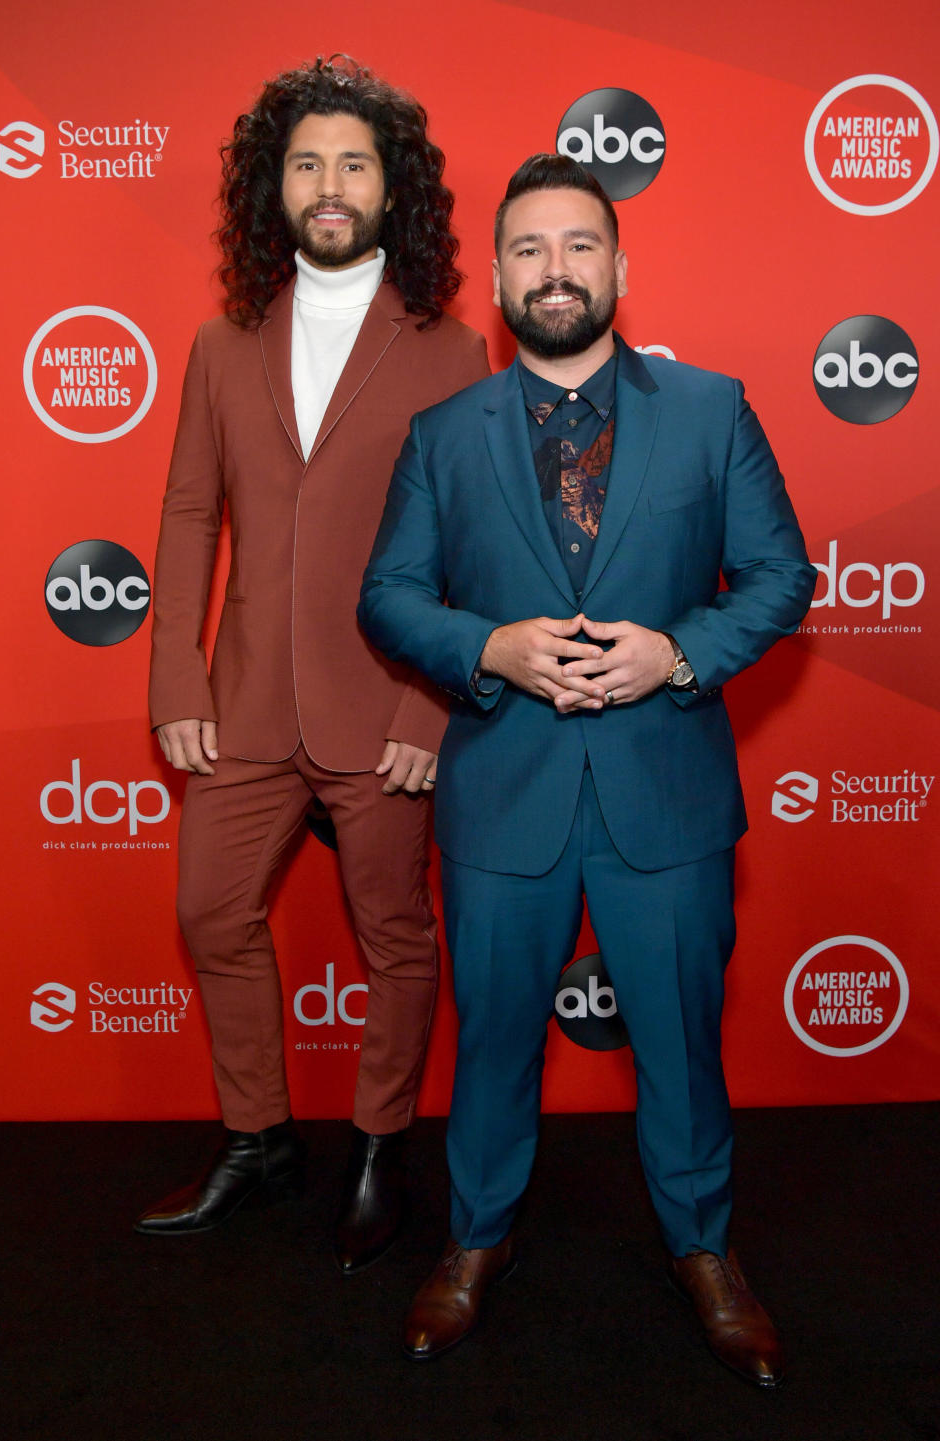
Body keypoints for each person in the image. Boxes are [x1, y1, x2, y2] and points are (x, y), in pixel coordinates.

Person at [359, 154, 816, 1382]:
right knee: (494, 1037)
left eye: (576, 246)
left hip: (664, 790)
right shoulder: (444, 435)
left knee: (681, 1038)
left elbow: (781, 578)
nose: (552, 271)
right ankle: (476, 1238)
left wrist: (677, 654)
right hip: (504, 792)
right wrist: (489, 647)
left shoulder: (713, 410)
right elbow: (390, 595)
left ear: (619, 265)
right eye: (527, 249)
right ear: (498, 274)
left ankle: (704, 1247)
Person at [136, 56, 488, 1274]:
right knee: (208, 911)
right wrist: (175, 680)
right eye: (306, 163)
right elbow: (189, 517)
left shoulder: (447, 347)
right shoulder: (223, 338)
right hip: (240, 702)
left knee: (395, 933)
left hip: (383, 701)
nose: (329, 186)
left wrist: (428, 700)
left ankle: (383, 1146)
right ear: (269, 187)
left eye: (354, 163)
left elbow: (476, 545)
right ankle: (258, 1139)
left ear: (393, 191)